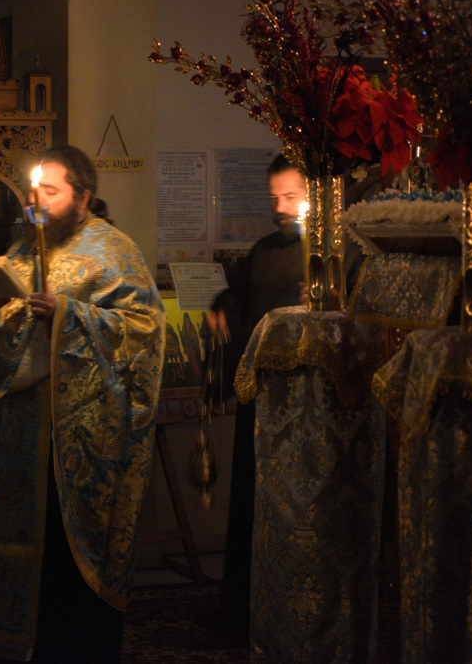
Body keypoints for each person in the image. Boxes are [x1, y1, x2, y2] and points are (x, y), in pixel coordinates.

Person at [0, 144, 165, 663]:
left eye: (51, 191)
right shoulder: (22, 251)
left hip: (74, 441)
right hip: (15, 439)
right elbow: (6, 330)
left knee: (62, 570)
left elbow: (144, 330)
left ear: (82, 197)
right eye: (34, 191)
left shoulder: (114, 251)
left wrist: (69, 314)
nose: (37, 201)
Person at [204, 152, 310, 637]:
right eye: (274, 198)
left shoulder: (334, 251)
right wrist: (221, 309)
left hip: (306, 402)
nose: (281, 208)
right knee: (253, 501)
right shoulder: (264, 250)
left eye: (291, 197)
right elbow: (241, 298)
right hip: (260, 394)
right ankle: (244, 609)